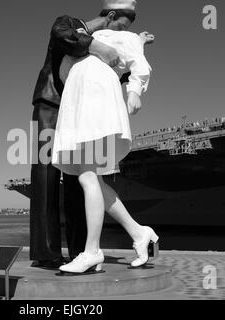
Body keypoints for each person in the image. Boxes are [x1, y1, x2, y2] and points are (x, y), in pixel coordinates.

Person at [30, 0, 140, 271]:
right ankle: (47, 253)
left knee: (80, 176)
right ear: (111, 16)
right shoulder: (68, 23)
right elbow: (64, 36)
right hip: (50, 104)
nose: (120, 34)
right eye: (121, 27)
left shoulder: (102, 42)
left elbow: (104, 72)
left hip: (78, 109)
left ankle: (82, 250)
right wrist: (100, 46)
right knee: (45, 174)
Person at [51, 0, 159, 274]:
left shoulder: (122, 37)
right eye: (125, 22)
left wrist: (134, 91)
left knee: (87, 176)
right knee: (93, 179)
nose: (126, 28)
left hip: (94, 94)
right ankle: (139, 232)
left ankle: (92, 251)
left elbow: (139, 65)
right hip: (79, 97)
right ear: (112, 15)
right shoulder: (90, 38)